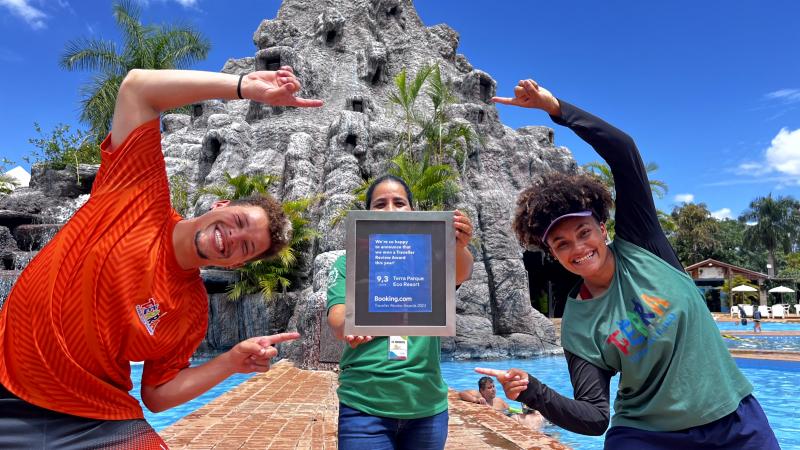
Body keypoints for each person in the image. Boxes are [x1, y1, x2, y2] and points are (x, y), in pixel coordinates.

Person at [0, 68, 322, 448]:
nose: (232, 239)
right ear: (221, 204)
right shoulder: (139, 191)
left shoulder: (190, 312)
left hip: (93, 417)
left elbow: (157, 394)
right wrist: (243, 88)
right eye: (237, 222)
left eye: (245, 247)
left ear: (237, 265)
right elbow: (137, 88)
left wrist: (230, 362)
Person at [476, 79, 779, 449]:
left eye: (584, 232)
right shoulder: (578, 323)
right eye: (562, 243)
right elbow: (593, 416)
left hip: (734, 419)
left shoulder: (643, 245)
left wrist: (556, 108)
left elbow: (624, 152)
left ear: (602, 229)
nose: (578, 247)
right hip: (648, 435)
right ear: (552, 254)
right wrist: (532, 390)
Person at [326, 174, 474, 450]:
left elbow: (463, 271)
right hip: (364, 405)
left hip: (427, 406)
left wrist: (459, 245)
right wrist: (352, 325)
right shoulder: (349, 262)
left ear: (412, 210)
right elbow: (337, 318)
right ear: (367, 213)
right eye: (380, 204)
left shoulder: (431, 258)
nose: (390, 209)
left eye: (399, 202)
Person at [459, 376, 544, 430]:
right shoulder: (478, 395)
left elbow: (510, 410)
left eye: (493, 386)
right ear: (482, 390)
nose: (493, 389)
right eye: (489, 388)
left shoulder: (499, 401)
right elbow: (462, 394)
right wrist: (475, 399)